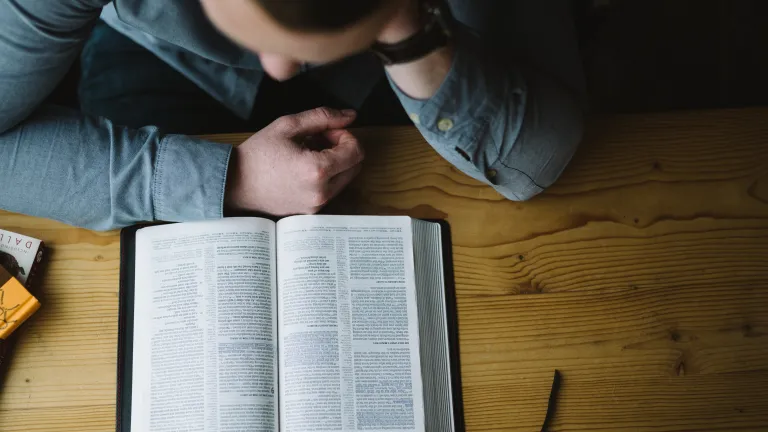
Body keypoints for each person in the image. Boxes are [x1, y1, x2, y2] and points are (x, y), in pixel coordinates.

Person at [0, 0, 585, 231]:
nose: (282, 68)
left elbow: (536, 156)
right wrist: (227, 179)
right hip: (167, 60)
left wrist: (402, 26)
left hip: (401, 49)